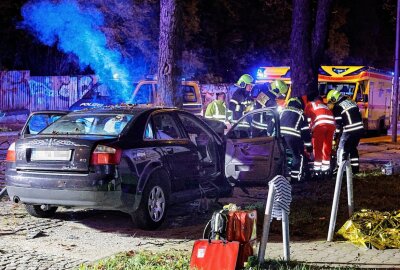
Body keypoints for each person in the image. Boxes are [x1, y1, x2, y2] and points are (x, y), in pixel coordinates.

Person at [326, 90, 364, 174]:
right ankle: (355, 169)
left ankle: (340, 170)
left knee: (343, 148)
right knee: (353, 148)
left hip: (350, 129)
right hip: (359, 129)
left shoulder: (338, 107)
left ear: (333, 99)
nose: (329, 103)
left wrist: (335, 137)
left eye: (329, 101)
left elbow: (339, 125)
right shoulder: (351, 102)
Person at [280, 97, 312, 182]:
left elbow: (272, 123)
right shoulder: (301, 114)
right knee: (298, 156)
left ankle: (281, 175)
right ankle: (295, 178)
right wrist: (309, 146)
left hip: (280, 136)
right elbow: (305, 132)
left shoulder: (282, 111)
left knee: (281, 156)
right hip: (293, 137)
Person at [304, 95, 336, 177]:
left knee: (318, 147)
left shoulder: (311, 104)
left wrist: (309, 129)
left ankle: (317, 171)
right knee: (327, 147)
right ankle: (325, 170)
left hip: (320, 125)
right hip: (331, 126)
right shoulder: (325, 106)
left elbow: (306, 117)